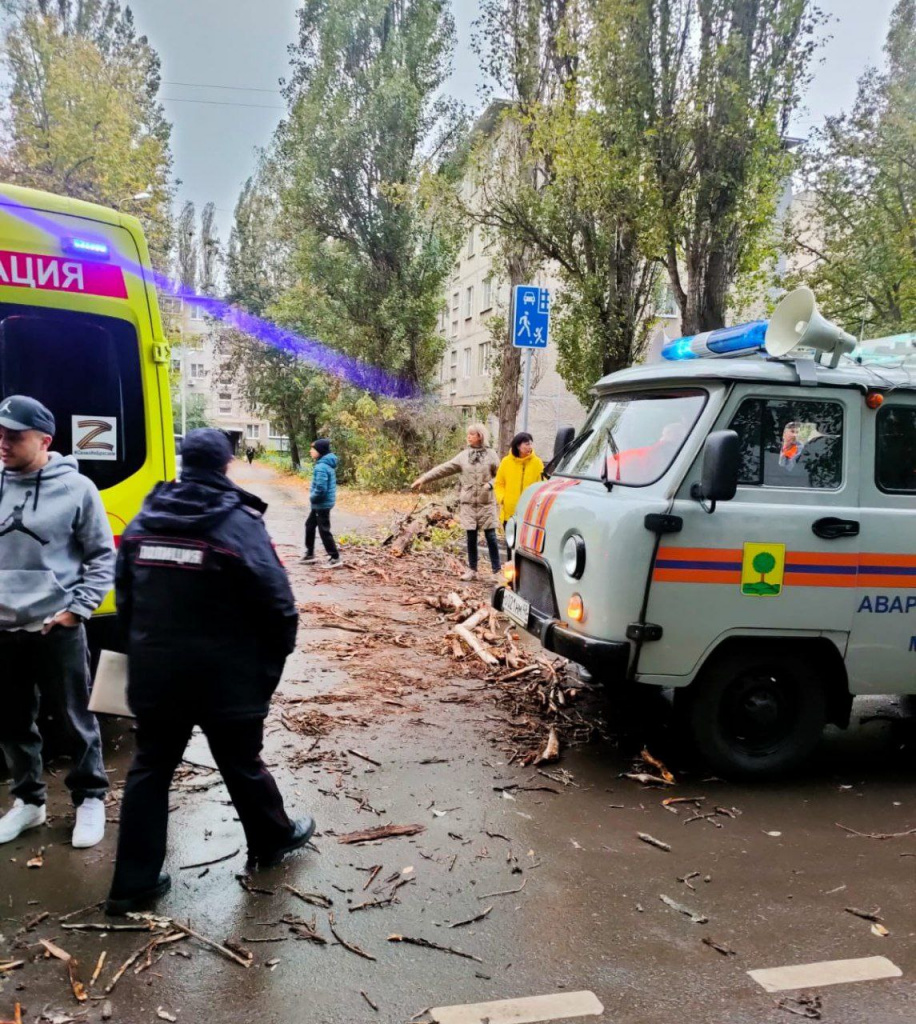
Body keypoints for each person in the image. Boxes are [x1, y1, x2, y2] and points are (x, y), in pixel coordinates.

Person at [106, 428, 312, 915]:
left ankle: (131, 886)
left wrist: (140, 653)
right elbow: (279, 604)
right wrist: (269, 667)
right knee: (241, 761)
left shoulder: (145, 518)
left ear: (184, 464)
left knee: (151, 768)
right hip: (226, 679)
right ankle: (272, 840)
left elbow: (126, 598)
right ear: (226, 466)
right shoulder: (238, 523)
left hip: (158, 677)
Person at [0, 395, 114, 848]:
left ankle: (89, 798)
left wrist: (77, 609)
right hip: (4, 629)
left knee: (73, 718)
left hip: (57, 627)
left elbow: (102, 557)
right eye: (0, 434)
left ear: (44, 440)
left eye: (14, 436)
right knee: (10, 722)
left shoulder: (76, 489)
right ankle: (29, 803)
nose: (3, 443)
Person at [411, 424, 500, 581]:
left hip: (486, 503)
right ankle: (472, 570)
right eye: (468, 434)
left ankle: (496, 571)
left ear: (480, 436)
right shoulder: (463, 456)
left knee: (491, 537)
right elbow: (444, 468)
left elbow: (501, 475)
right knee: (470, 537)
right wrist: (424, 478)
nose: (469, 436)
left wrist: (491, 484)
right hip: (468, 503)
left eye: (472, 434)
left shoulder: (491, 455)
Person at [494, 432, 545, 552]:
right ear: (518, 446)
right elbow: (499, 484)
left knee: (526, 548)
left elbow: (542, 485)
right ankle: (510, 569)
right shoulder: (506, 462)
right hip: (509, 513)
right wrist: (502, 499)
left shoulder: (537, 463)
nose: (530, 447)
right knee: (510, 546)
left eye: (531, 444)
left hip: (529, 513)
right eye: (526, 444)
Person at [301, 437, 341, 568]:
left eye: (313, 449)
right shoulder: (325, 464)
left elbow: (321, 489)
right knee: (310, 525)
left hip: (321, 504)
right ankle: (310, 553)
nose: (310, 451)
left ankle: (335, 557)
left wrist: (312, 497)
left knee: (324, 530)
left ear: (320, 451)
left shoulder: (321, 467)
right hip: (321, 503)